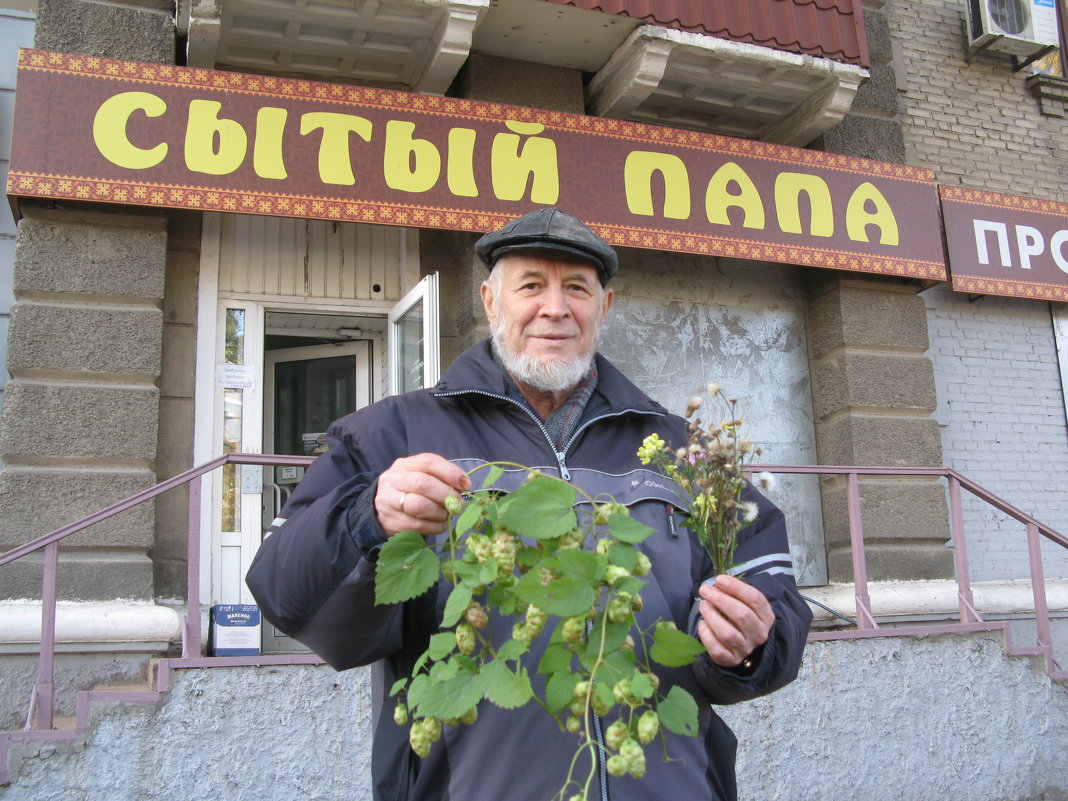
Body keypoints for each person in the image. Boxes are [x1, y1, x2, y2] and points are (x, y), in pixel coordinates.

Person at [246, 207, 812, 801]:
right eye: (531, 286)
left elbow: (774, 602)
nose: (555, 308)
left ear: (605, 307)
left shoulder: (685, 453)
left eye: (576, 288)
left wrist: (748, 644)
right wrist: (368, 518)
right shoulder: (392, 434)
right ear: (491, 302)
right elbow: (282, 589)